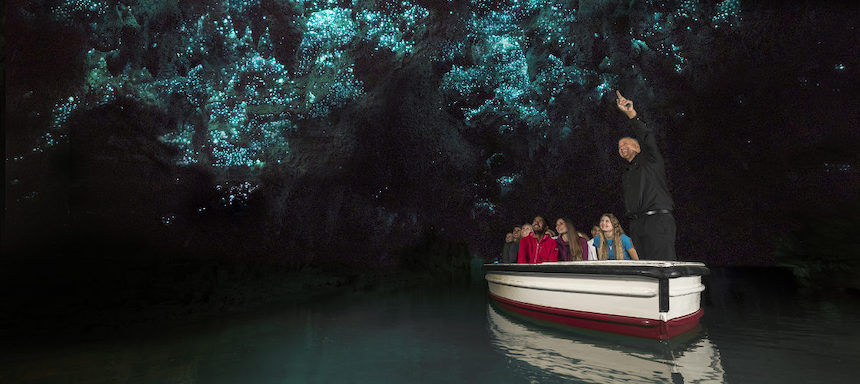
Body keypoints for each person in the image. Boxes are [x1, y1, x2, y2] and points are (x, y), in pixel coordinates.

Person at [614, 91, 677, 261]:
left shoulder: (651, 159)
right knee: (644, 268)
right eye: (619, 147)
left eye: (625, 144)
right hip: (637, 224)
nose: (622, 148)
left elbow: (647, 136)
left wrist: (631, 114)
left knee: (662, 266)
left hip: (657, 220)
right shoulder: (627, 173)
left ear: (638, 147)